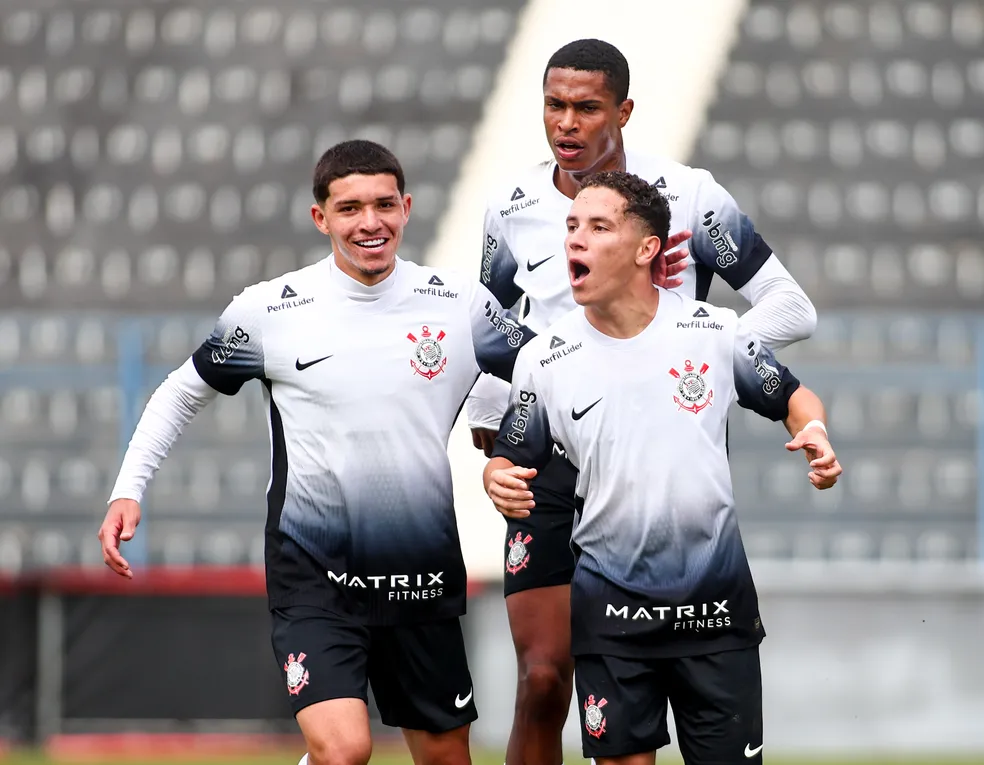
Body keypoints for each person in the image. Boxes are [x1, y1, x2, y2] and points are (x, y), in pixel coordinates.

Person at [97, 140, 540, 765]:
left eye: (384, 204)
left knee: (445, 757)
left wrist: (501, 447)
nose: (370, 222)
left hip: (420, 574)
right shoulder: (270, 309)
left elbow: (549, 373)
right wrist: (128, 488)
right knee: (343, 750)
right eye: (350, 208)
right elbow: (181, 392)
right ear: (321, 218)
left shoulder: (459, 304)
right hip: (315, 577)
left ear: (407, 208)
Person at [466, 38, 818, 765]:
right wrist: (490, 420)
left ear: (623, 111)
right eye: (554, 106)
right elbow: (487, 323)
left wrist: (693, 351)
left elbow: (792, 306)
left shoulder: (688, 195)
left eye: (586, 108)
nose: (567, 123)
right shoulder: (511, 206)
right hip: (551, 455)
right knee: (542, 676)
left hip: (653, 454)